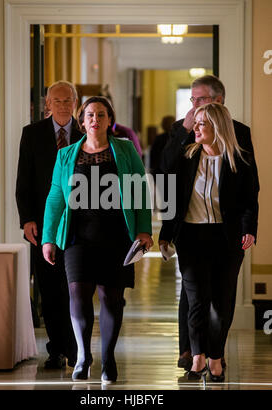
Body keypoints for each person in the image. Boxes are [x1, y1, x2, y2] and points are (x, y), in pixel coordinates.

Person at [41, 96, 153, 384]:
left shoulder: (125, 150)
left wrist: (144, 231)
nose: (95, 120)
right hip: (78, 235)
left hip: (117, 234)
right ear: (83, 121)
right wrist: (48, 238)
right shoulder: (66, 155)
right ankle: (82, 355)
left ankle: (109, 357)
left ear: (108, 120)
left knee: (111, 298)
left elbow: (139, 190)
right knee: (77, 292)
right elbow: (56, 197)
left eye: (100, 115)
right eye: (89, 115)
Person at [160, 75, 259, 372]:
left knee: (221, 299)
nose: (194, 108)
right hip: (190, 233)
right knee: (194, 298)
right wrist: (166, 232)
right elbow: (165, 174)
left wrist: (249, 228)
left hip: (225, 235)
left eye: (200, 100)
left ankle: (216, 354)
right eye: (192, 101)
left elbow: (249, 193)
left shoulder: (238, 140)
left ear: (217, 103)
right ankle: (193, 353)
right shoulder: (184, 134)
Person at [16, 80, 83, 369]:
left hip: (81, 224)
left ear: (76, 103)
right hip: (44, 224)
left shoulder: (86, 133)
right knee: (50, 289)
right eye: (58, 101)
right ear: (48, 104)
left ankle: (75, 348)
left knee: (76, 288)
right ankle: (56, 349)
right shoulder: (32, 135)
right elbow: (24, 182)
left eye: (68, 100)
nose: (64, 105)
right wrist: (27, 219)